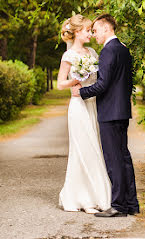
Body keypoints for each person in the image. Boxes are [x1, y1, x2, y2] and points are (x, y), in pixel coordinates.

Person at [71, 14, 140, 217]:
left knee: (114, 159)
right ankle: (131, 204)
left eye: (95, 30)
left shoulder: (109, 51)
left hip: (110, 112)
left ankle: (118, 206)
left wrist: (81, 92)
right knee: (124, 157)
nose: (94, 34)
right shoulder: (123, 49)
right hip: (122, 111)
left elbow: (103, 84)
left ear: (105, 29)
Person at [57, 14, 111, 214]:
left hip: (92, 105)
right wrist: (74, 82)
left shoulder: (92, 53)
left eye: (91, 30)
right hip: (78, 105)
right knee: (82, 149)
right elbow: (60, 82)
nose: (91, 33)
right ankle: (84, 199)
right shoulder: (69, 56)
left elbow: (99, 79)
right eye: (88, 30)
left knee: (94, 147)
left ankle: (96, 196)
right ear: (77, 32)